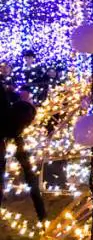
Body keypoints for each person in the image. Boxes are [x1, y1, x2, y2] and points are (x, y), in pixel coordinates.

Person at [0, 69, 46, 223]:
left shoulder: (14, 134)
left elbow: (30, 176)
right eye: (26, 123)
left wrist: (42, 215)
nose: (25, 127)